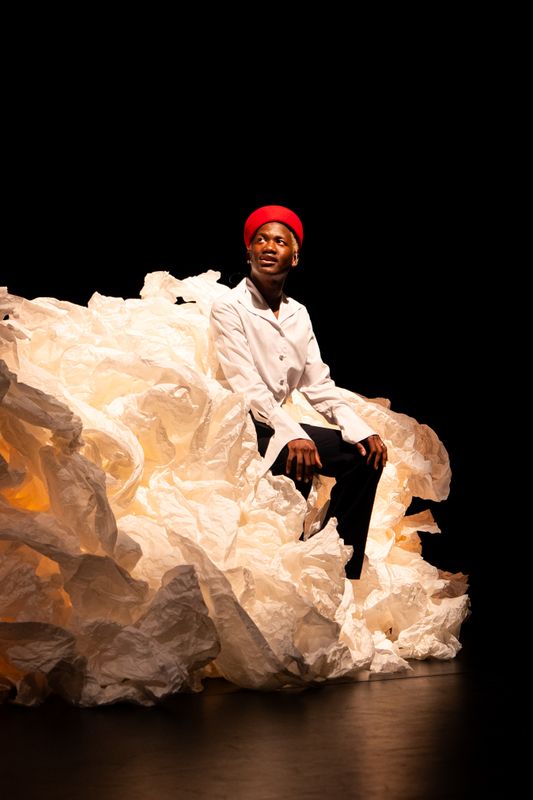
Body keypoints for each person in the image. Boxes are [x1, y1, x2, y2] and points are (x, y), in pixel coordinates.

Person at [209, 205, 387, 579]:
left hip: (277, 425)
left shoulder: (298, 313)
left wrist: (360, 430)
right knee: (297, 459)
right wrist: (292, 433)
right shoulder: (229, 307)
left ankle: (336, 567)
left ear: (295, 256)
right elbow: (246, 385)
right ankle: (292, 566)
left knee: (364, 458)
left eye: (279, 241)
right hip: (242, 426)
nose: (268, 246)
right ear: (248, 252)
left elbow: (317, 383)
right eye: (260, 239)